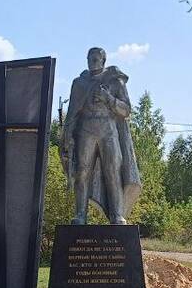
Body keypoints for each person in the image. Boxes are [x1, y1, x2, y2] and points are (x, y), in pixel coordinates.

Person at [60, 47, 142, 224]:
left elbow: (126, 110)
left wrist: (108, 98)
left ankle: (117, 214)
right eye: (89, 59)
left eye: (95, 59)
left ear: (103, 61)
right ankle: (81, 214)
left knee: (113, 171)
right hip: (85, 131)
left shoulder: (115, 81)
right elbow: (72, 113)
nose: (91, 62)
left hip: (108, 131)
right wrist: (67, 135)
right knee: (82, 172)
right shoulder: (79, 83)